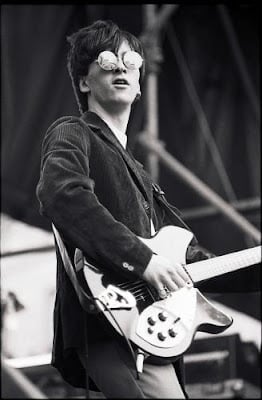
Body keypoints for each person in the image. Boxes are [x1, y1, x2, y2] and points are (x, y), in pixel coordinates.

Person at [36, 19, 213, 399]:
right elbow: (61, 193)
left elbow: (191, 260)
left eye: (129, 61)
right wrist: (142, 259)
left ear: (138, 85)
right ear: (84, 82)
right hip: (109, 318)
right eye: (106, 60)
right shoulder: (73, 131)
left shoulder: (141, 177)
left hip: (145, 327)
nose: (120, 67)